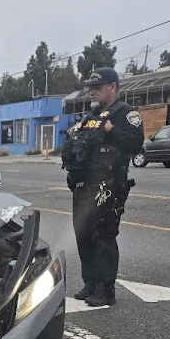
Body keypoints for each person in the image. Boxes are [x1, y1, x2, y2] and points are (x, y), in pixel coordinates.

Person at [61, 67, 144, 306]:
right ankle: (90, 284)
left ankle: (106, 290)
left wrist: (111, 130)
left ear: (113, 88)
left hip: (109, 186)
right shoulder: (89, 116)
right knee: (83, 234)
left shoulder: (127, 114)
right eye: (91, 89)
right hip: (84, 186)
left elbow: (135, 143)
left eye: (97, 88)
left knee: (104, 235)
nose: (92, 93)